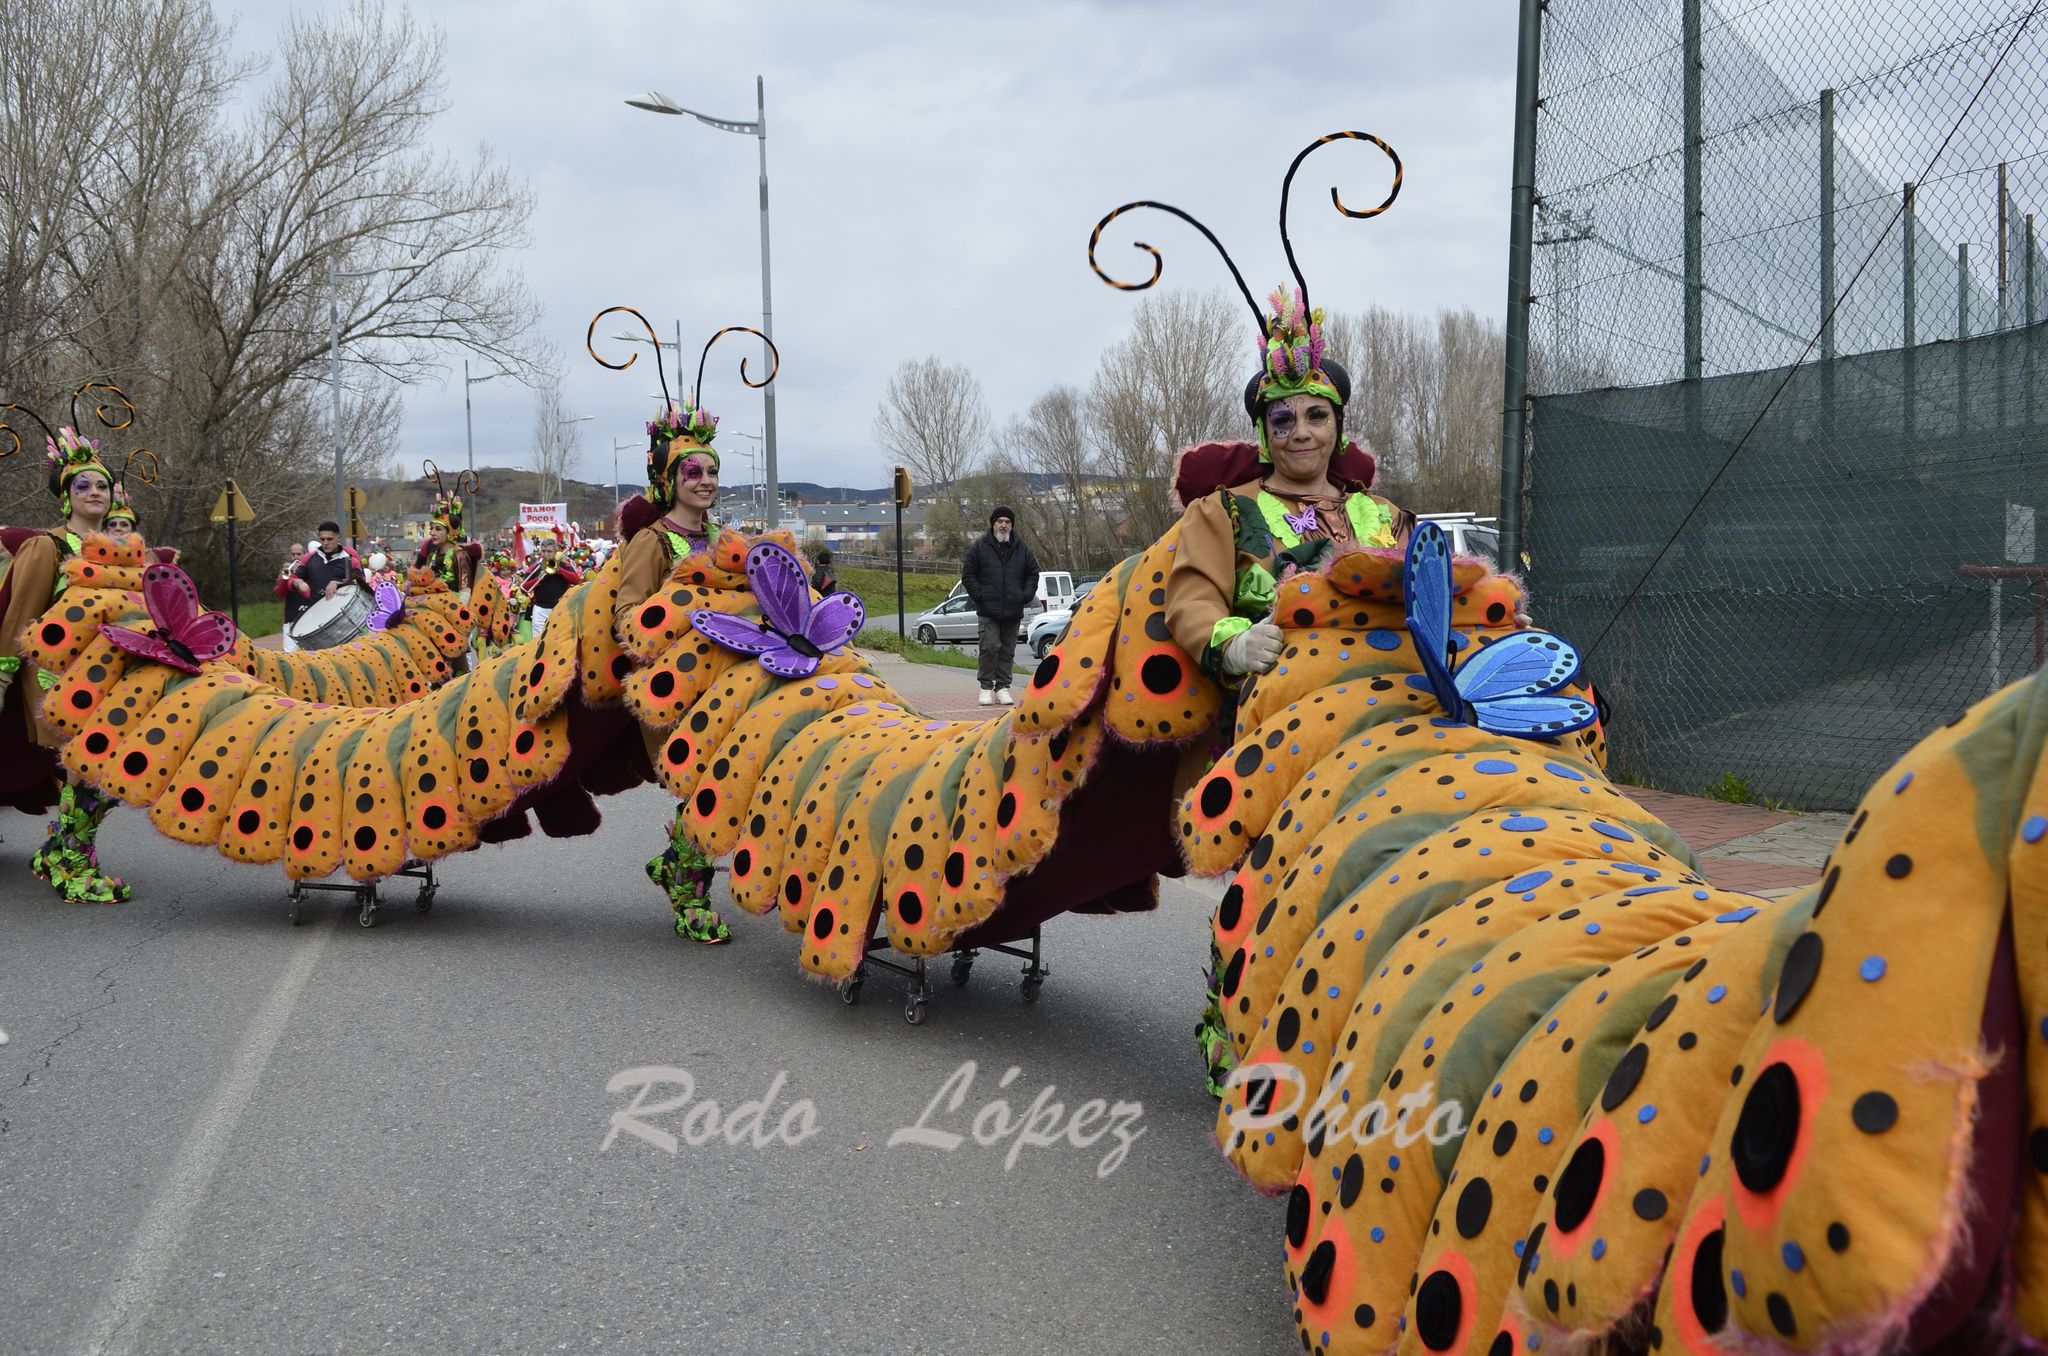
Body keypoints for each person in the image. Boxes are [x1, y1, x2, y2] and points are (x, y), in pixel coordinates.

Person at [1164, 285, 1413, 688]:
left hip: (1397, 690)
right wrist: (1234, 646)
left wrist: (1485, 612)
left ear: (1337, 428)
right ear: (1265, 435)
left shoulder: (1386, 514)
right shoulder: (1222, 511)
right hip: (1282, 702)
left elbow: (1433, 593)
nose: (1301, 433)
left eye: (1316, 417)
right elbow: (1193, 600)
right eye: (1283, 421)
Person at [614, 396, 731, 945]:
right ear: (668, 478)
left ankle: (674, 866)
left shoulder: (725, 540)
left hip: (729, 688)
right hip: (672, 691)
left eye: (711, 470)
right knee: (708, 788)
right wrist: (681, 622)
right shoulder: (652, 541)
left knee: (730, 783)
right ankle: (689, 896)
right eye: (692, 471)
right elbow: (627, 615)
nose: (704, 481)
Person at [0, 424, 133, 903]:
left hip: (114, 677)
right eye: (84, 485)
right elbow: (21, 616)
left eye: (102, 485)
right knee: (90, 768)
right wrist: (4, 678)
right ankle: (73, 866)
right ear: (65, 496)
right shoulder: (47, 546)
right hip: (59, 680)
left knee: (116, 773)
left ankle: (59, 851)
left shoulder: (117, 550)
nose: (96, 492)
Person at [959, 506, 1037, 706]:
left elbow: (1032, 573)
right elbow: (968, 574)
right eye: (1000, 521)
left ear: (1012, 525)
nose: (1004, 525)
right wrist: (980, 595)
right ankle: (986, 687)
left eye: (1007, 522)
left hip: (1013, 609)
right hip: (988, 610)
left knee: (1007, 650)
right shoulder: (979, 547)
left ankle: (1003, 687)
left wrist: (1024, 595)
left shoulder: (1022, 548)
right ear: (993, 524)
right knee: (989, 647)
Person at [522, 529, 581, 636]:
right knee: (538, 640)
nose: (546, 554)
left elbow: (576, 580)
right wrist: (538, 580)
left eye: (549, 552)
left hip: (560, 608)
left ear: (555, 552)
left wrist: (559, 570)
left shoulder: (563, 564)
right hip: (540, 609)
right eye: (543, 551)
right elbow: (523, 588)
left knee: (560, 638)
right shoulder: (535, 566)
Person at [274, 542, 312, 651]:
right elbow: (280, 592)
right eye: (293, 554)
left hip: (308, 618)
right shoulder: (286, 571)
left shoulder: (310, 569)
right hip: (291, 619)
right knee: (289, 655)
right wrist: (284, 578)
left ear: (304, 554)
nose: (296, 557)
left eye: (298, 554)